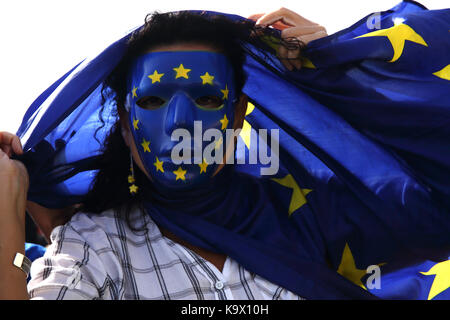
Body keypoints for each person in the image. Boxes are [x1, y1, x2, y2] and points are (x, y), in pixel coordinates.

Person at [0, 9, 331, 300]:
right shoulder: (95, 245)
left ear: (237, 113)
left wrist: (339, 77)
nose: (180, 123)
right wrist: (7, 208)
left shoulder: (306, 214)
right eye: (153, 101)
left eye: (207, 99)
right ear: (126, 123)